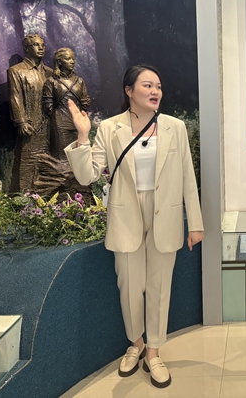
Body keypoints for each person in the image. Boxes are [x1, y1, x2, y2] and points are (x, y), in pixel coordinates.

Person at [65, 64, 204, 389]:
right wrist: (83, 136)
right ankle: (136, 343)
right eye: (147, 85)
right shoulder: (109, 128)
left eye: (158, 86)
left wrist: (195, 223)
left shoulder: (174, 127)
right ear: (129, 91)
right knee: (129, 285)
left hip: (165, 215)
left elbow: (187, 175)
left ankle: (154, 351)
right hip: (126, 214)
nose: (155, 91)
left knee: (159, 287)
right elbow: (87, 176)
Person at [7, 32, 53, 192]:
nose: (41, 48)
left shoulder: (50, 72)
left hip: (49, 125)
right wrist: (21, 122)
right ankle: (25, 197)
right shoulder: (16, 71)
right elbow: (15, 96)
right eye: (36, 45)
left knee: (48, 160)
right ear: (26, 48)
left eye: (42, 45)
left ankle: (47, 194)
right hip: (31, 124)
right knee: (28, 160)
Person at [42, 48, 91, 159]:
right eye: (68, 59)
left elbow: (84, 102)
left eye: (73, 59)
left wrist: (85, 103)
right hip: (60, 125)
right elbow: (47, 105)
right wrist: (57, 116)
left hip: (77, 124)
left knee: (79, 156)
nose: (72, 62)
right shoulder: (51, 81)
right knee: (62, 158)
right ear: (59, 62)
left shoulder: (80, 81)